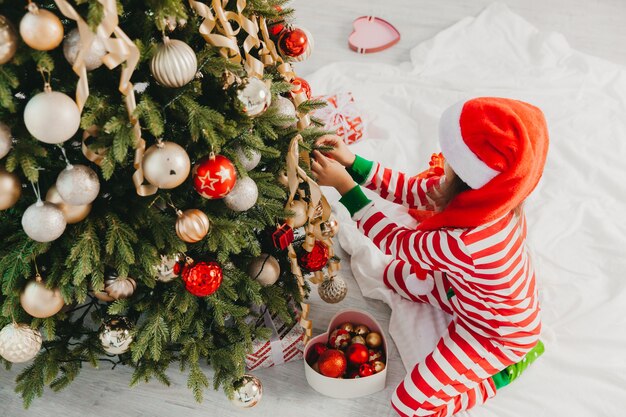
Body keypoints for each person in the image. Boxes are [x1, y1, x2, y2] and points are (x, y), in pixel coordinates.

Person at [311, 97, 549, 417]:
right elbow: (414, 190)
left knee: (409, 406)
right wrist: (352, 161)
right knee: (393, 276)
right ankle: (458, 300)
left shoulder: (463, 242)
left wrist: (346, 188)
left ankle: (503, 374)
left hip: (494, 334)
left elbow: (394, 240)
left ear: (466, 173)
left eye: (450, 157)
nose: (443, 162)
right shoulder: (494, 196)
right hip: (468, 293)